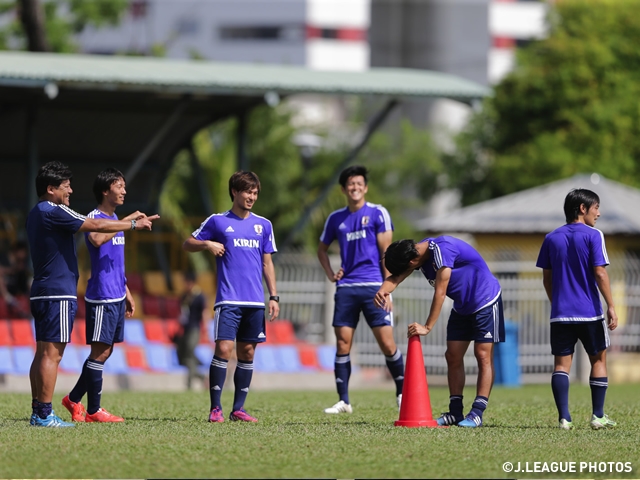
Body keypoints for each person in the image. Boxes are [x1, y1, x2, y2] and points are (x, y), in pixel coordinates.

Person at [26, 161, 158, 428]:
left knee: (42, 353)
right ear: (51, 189)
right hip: (59, 291)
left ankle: (40, 409)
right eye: (66, 186)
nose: (71, 190)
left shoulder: (36, 212)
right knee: (52, 355)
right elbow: (94, 227)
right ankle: (45, 413)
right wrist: (131, 224)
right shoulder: (55, 210)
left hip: (43, 289)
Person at [374, 236, 504, 428]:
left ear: (411, 262)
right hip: (462, 306)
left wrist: (427, 327)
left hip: (485, 300)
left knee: (482, 355)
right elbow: (396, 278)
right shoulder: (416, 253)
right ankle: (455, 412)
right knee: (452, 356)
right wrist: (383, 290)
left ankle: (477, 412)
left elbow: (440, 293)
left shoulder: (443, 250)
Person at [183, 170, 279, 423]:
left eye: (255, 192)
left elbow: (267, 263)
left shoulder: (264, 225)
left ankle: (239, 409)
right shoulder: (217, 221)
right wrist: (208, 244)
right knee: (224, 349)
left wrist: (274, 296)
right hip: (228, 300)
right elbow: (187, 243)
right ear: (235, 192)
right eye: (248, 191)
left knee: (247, 353)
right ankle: (216, 408)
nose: (252, 197)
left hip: (255, 301)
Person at [62, 168, 149, 423]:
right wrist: (131, 222)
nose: (124, 190)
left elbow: (116, 263)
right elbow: (98, 239)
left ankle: (74, 398)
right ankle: (94, 410)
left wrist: (127, 293)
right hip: (101, 296)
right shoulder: (94, 217)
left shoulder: (115, 220)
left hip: (116, 295)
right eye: (119, 186)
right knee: (99, 353)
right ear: (105, 190)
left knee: (105, 352)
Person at [317, 165, 404, 414]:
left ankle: (401, 393)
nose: (354, 188)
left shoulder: (378, 213)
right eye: (350, 185)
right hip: (346, 288)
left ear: (365, 187)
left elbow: (387, 254)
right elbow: (321, 249)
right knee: (343, 343)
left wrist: (388, 289)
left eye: (359, 184)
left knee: (387, 344)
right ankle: (344, 401)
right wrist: (331, 274)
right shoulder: (335, 218)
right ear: (344, 189)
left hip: (374, 288)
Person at [536, 188, 618, 430]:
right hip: (590, 311)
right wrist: (611, 305)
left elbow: (546, 279)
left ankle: (564, 418)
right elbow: (600, 272)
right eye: (596, 208)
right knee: (599, 359)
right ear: (583, 209)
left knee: (561, 365)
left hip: (560, 313)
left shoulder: (551, 238)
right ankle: (598, 416)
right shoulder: (594, 235)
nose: (599, 213)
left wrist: (557, 303)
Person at [176, 271, 207, 389]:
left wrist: (204, 329)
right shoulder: (184, 296)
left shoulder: (199, 296)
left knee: (189, 353)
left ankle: (189, 383)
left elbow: (204, 312)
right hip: (185, 329)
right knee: (186, 355)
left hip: (195, 328)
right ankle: (201, 376)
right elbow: (182, 313)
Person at [0, 241, 31, 316]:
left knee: (31, 282)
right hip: (5, 289)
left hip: (16, 290)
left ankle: (30, 314)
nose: (24, 254)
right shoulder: (4, 258)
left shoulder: (22, 262)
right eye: (22, 251)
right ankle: (8, 298)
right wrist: (13, 269)